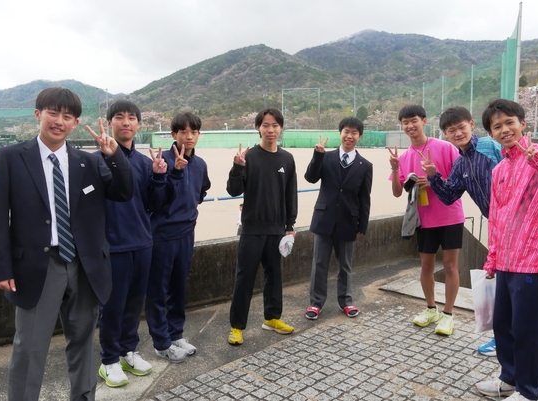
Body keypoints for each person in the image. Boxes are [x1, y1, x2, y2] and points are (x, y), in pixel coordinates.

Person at [0, 87, 134, 401]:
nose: (59, 121)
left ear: (75, 123)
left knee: (82, 342)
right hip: (36, 266)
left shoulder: (88, 162)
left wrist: (114, 156)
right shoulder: (12, 157)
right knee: (29, 348)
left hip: (85, 266)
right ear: (38, 114)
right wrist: (0, 268)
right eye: (53, 113)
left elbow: (123, 192)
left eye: (67, 116)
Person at [474, 99, 538, 401]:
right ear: (491, 134)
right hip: (507, 261)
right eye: (497, 126)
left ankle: (530, 393)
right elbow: (497, 217)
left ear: (522, 124)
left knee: (529, 331)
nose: (505, 130)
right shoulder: (499, 169)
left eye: (509, 122)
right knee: (504, 325)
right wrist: (493, 258)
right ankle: (509, 379)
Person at [97, 100, 173, 387]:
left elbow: (155, 205)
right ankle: (109, 360)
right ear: (110, 123)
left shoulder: (144, 163)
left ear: (139, 124)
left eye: (131, 118)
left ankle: (128, 350)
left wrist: (160, 176)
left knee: (134, 303)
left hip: (142, 242)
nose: (126, 122)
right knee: (112, 306)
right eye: (119, 117)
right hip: (112, 245)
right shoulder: (96, 160)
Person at [420, 106, 502, 354]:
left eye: (461, 127)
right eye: (451, 130)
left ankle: (510, 339)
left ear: (471, 124)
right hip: (496, 225)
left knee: (513, 281)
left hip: (516, 222)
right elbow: (449, 196)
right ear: (445, 134)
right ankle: (502, 338)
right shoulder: (460, 163)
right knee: (501, 281)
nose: (457, 133)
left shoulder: (490, 147)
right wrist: (434, 176)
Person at [388, 104, 464, 336]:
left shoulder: (445, 147)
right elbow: (397, 192)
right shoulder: (405, 156)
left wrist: (434, 180)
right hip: (423, 219)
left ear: (424, 121)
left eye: (414, 120)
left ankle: (448, 314)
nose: (410, 126)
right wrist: (396, 169)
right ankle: (431, 309)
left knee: (450, 266)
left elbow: (459, 181)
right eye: (405, 122)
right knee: (426, 266)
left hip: (450, 215)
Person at [226, 108, 298, 345]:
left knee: (274, 276)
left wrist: (290, 225)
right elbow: (233, 190)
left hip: (277, 229)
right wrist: (237, 167)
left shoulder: (287, 159)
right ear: (258, 127)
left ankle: (272, 318)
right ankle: (237, 327)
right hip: (252, 228)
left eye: (275, 125)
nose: (270, 130)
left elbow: (290, 194)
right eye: (266, 125)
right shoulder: (250, 157)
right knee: (244, 278)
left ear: (281, 128)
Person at [145, 112, 211, 361]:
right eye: (183, 132)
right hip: (162, 234)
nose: (189, 136)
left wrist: (189, 208)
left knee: (178, 288)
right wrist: (173, 172)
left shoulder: (200, 164)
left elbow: (202, 190)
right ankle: (161, 342)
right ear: (174, 134)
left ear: (199, 134)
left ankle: (175, 334)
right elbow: (156, 200)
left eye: (193, 132)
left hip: (186, 233)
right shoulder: (162, 161)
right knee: (158, 290)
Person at [304, 117, 372, 320]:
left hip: (348, 221)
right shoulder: (326, 157)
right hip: (324, 218)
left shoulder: (365, 165)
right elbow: (310, 178)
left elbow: (364, 197)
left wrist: (363, 224)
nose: (349, 136)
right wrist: (317, 155)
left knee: (345, 265)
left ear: (359, 136)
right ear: (340, 133)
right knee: (319, 264)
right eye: (346, 131)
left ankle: (346, 301)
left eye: (354, 133)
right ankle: (316, 303)